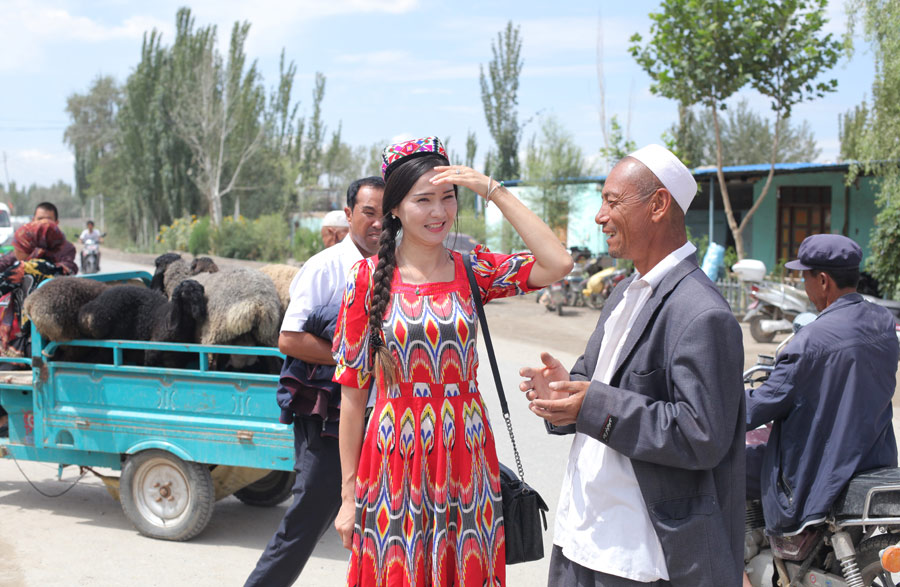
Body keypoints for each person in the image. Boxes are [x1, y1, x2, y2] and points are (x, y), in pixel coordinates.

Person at [332, 136, 572, 586]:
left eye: (448, 197)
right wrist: (348, 496)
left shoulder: (472, 270)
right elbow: (351, 397)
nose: (439, 212)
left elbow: (557, 263)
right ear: (396, 209)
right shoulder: (364, 280)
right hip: (392, 459)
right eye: (423, 200)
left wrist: (493, 190)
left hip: (467, 458)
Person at [519, 144, 745, 586]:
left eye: (612, 201)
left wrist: (594, 405)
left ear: (658, 205)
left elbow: (703, 435)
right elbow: (594, 384)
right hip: (580, 537)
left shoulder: (701, 313)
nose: (600, 216)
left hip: (638, 559)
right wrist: (563, 393)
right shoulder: (624, 292)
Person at [243, 176, 385, 587]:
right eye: (368, 213)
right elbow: (288, 338)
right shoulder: (326, 267)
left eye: (384, 214)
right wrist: (356, 359)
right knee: (309, 519)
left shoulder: (398, 265)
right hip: (330, 413)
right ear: (348, 215)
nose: (377, 223)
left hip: (383, 411)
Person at [745, 234, 899, 536]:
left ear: (824, 281)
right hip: (873, 459)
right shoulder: (883, 323)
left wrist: (717, 405)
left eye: (805, 277)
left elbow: (757, 408)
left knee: (721, 466)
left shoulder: (808, 342)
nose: (805, 286)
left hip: (818, 471)